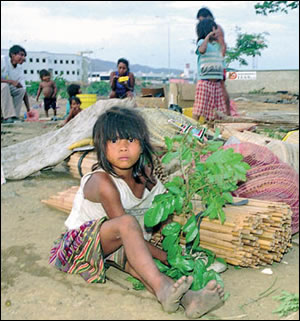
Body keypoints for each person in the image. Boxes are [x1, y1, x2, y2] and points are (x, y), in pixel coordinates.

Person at [49, 106, 224, 318]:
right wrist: (167, 257)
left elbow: (164, 223)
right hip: (76, 248)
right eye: (114, 141)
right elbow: (126, 228)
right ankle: (164, 288)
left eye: (130, 140)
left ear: (142, 146)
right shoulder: (102, 181)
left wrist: (178, 252)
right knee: (127, 224)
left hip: (114, 247)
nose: (123, 147)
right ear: (102, 148)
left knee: (141, 267)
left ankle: (187, 299)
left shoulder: (150, 182)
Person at [196, 7, 231, 115]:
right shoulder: (204, 41)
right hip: (207, 74)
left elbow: (222, 46)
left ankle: (227, 114)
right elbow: (202, 49)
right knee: (204, 102)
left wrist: (220, 62)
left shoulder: (216, 29)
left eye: (202, 20)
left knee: (220, 92)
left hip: (217, 69)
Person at [192, 19, 228, 122]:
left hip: (216, 83)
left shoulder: (216, 46)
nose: (216, 32)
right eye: (214, 30)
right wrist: (207, 37)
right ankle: (193, 127)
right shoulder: (202, 42)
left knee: (215, 110)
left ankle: (211, 129)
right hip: (205, 82)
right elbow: (201, 50)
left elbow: (221, 58)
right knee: (199, 108)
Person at [1, 44, 31, 123]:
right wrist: (10, 81)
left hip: (4, 89)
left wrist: (28, 109)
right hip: (3, 87)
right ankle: (8, 116)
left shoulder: (19, 69)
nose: (23, 58)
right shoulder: (2, 61)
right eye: (21, 55)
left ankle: (14, 116)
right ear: (12, 55)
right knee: (4, 85)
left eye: (24, 56)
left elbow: (23, 89)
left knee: (20, 91)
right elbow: (8, 83)